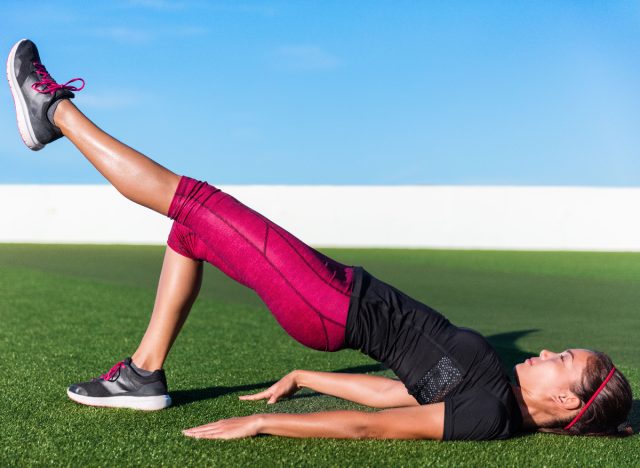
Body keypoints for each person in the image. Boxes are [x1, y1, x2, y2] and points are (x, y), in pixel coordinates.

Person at [7, 39, 633, 441]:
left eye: (563, 360)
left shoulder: (490, 415)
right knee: (189, 230)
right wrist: (309, 376)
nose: (550, 352)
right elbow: (401, 390)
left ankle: (52, 111)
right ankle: (143, 373)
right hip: (331, 296)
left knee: (192, 198)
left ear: (564, 401)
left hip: (326, 302)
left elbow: (376, 428)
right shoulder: (492, 387)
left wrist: (263, 421)